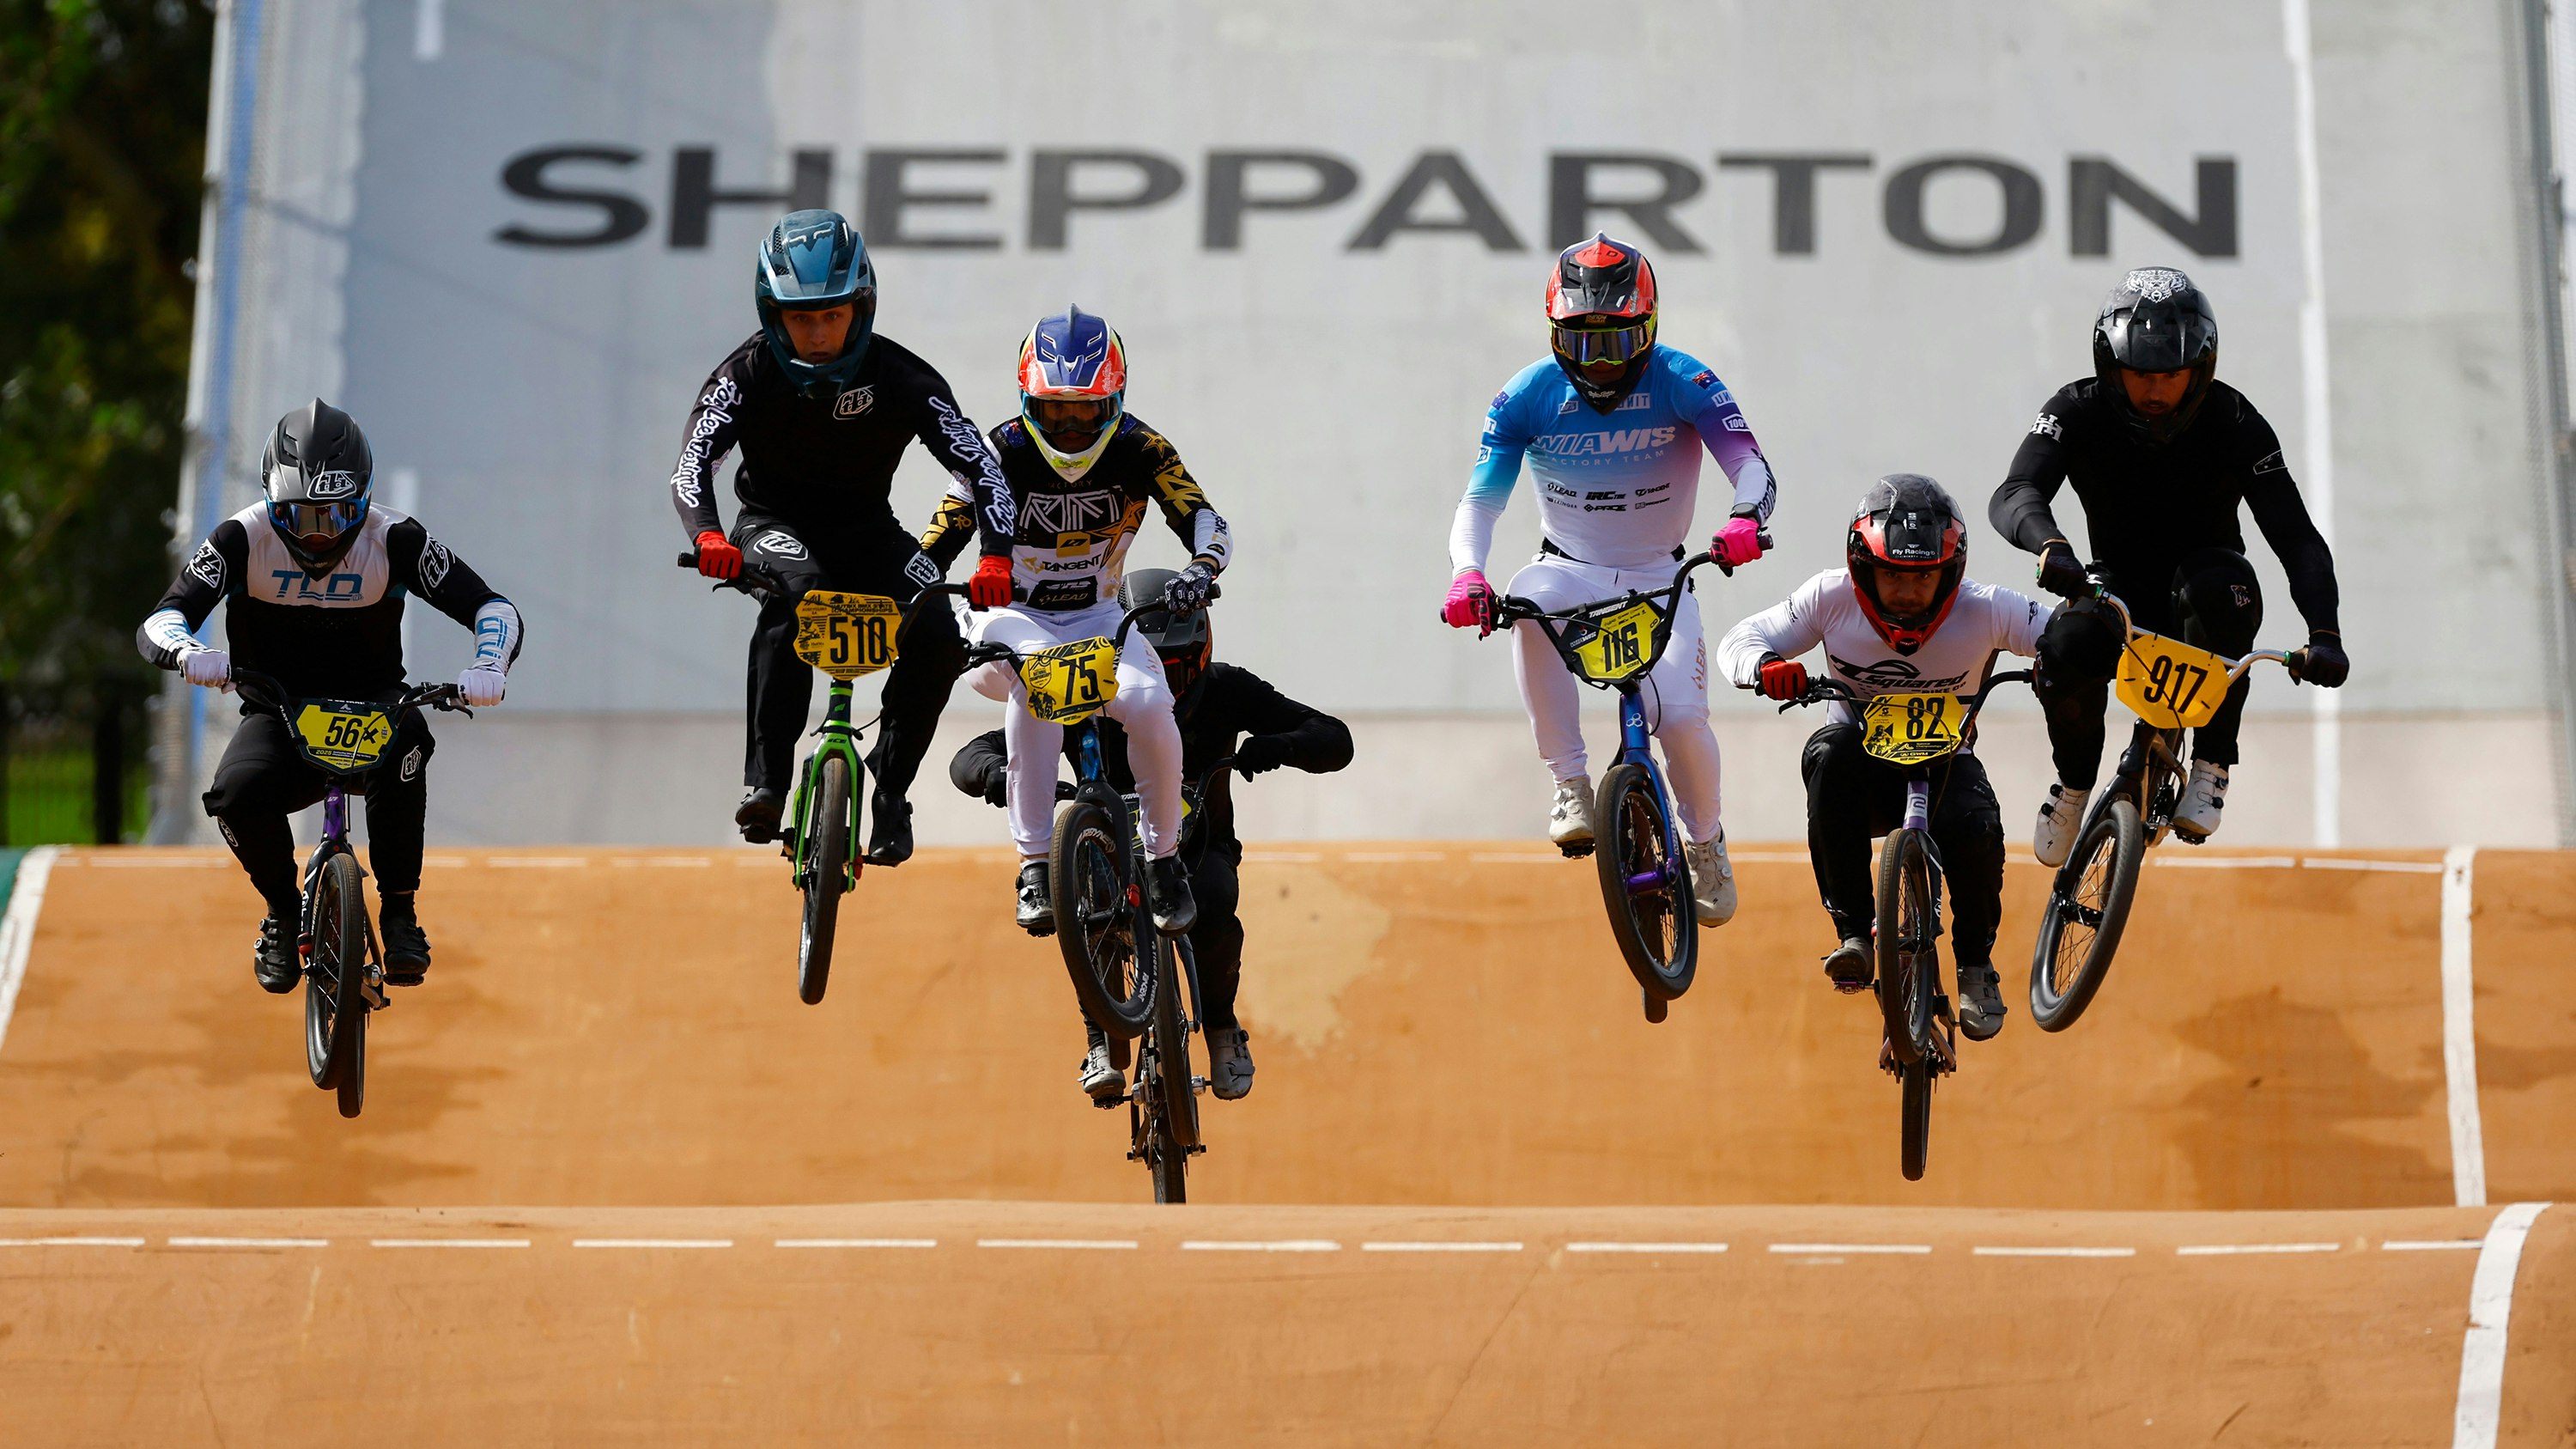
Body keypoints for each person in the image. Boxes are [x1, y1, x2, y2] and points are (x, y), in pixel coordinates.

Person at [1438, 232, 1778, 926]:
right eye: (1583, 343)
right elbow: (1481, 501)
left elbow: (1751, 464)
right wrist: (1467, 573)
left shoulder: (1686, 380)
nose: (1600, 364)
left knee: (1681, 721)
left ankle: (1706, 841)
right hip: (1570, 569)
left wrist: (1745, 518)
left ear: (1649, 330)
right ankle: (1569, 781)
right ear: (1555, 333)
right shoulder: (1524, 397)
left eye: (1619, 344)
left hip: (1663, 574)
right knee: (1525, 599)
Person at [139, 399, 523, 992]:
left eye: (337, 515)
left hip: (375, 705)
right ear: (272, 503)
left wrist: (488, 664)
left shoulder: (395, 538)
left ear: (364, 500)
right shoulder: (241, 537)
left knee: (412, 742)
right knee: (233, 794)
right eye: (299, 517)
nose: (318, 535)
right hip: (279, 711)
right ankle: (281, 910)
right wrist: (191, 653)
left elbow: (491, 607)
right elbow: (163, 618)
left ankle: (399, 911)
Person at [671, 208, 1016, 861]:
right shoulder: (743, 374)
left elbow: (982, 466)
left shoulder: (904, 377)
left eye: (832, 314)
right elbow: (691, 464)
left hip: (867, 533)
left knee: (940, 630)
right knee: (797, 594)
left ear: (863, 306)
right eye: (802, 318)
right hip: (773, 527)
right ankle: (767, 782)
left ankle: (889, 789)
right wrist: (710, 536)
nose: (819, 333)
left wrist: (996, 554)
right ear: (774, 316)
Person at [949, 568, 1353, 1102]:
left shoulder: (1229, 688)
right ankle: (1102, 1038)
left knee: (1212, 902)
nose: (1173, 683)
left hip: (1199, 846)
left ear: (1204, 649)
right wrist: (1001, 776)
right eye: (1158, 667)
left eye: (1184, 668)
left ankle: (1224, 1028)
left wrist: (1275, 748)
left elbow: (1332, 738)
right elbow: (972, 755)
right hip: (1105, 853)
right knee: (1089, 909)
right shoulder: (1088, 688)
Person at [1991, 266, 2348, 862]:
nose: (2156, 391)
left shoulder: (2236, 422)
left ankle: (2211, 762)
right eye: (2139, 375)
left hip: (2209, 584)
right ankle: (2075, 784)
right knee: (2066, 642)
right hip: (2115, 585)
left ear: (2200, 368)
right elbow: (2016, 490)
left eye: (2171, 376)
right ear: (2111, 366)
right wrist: (2050, 544)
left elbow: (2297, 537)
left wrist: (2325, 631)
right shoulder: (2075, 410)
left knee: (2219, 591)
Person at [920, 304, 1230, 958]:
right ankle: (1035, 863)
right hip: (1008, 613)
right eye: (1053, 409)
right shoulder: (996, 448)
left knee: (1151, 706)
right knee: (1041, 683)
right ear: (1027, 400)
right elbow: (945, 527)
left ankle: (1164, 856)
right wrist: (914, 579)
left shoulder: (1143, 447)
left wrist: (1201, 568)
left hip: (1098, 612)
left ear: (1114, 401)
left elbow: (1203, 516)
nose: (1067, 427)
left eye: (1084, 411)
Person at [1718, 476, 2048, 1040]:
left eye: (1923, 578)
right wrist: (1766, 667)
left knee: (1977, 826)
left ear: (1950, 574)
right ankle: (1852, 934)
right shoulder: (1829, 596)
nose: (1906, 593)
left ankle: (1974, 966)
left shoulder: (1989, 608)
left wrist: (2062, 660)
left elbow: (2064, 635)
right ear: (1861, 568)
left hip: (1947, 766)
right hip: (1859, 771)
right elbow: (1741, 639)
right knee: (1828, 752)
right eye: (1892, 574)